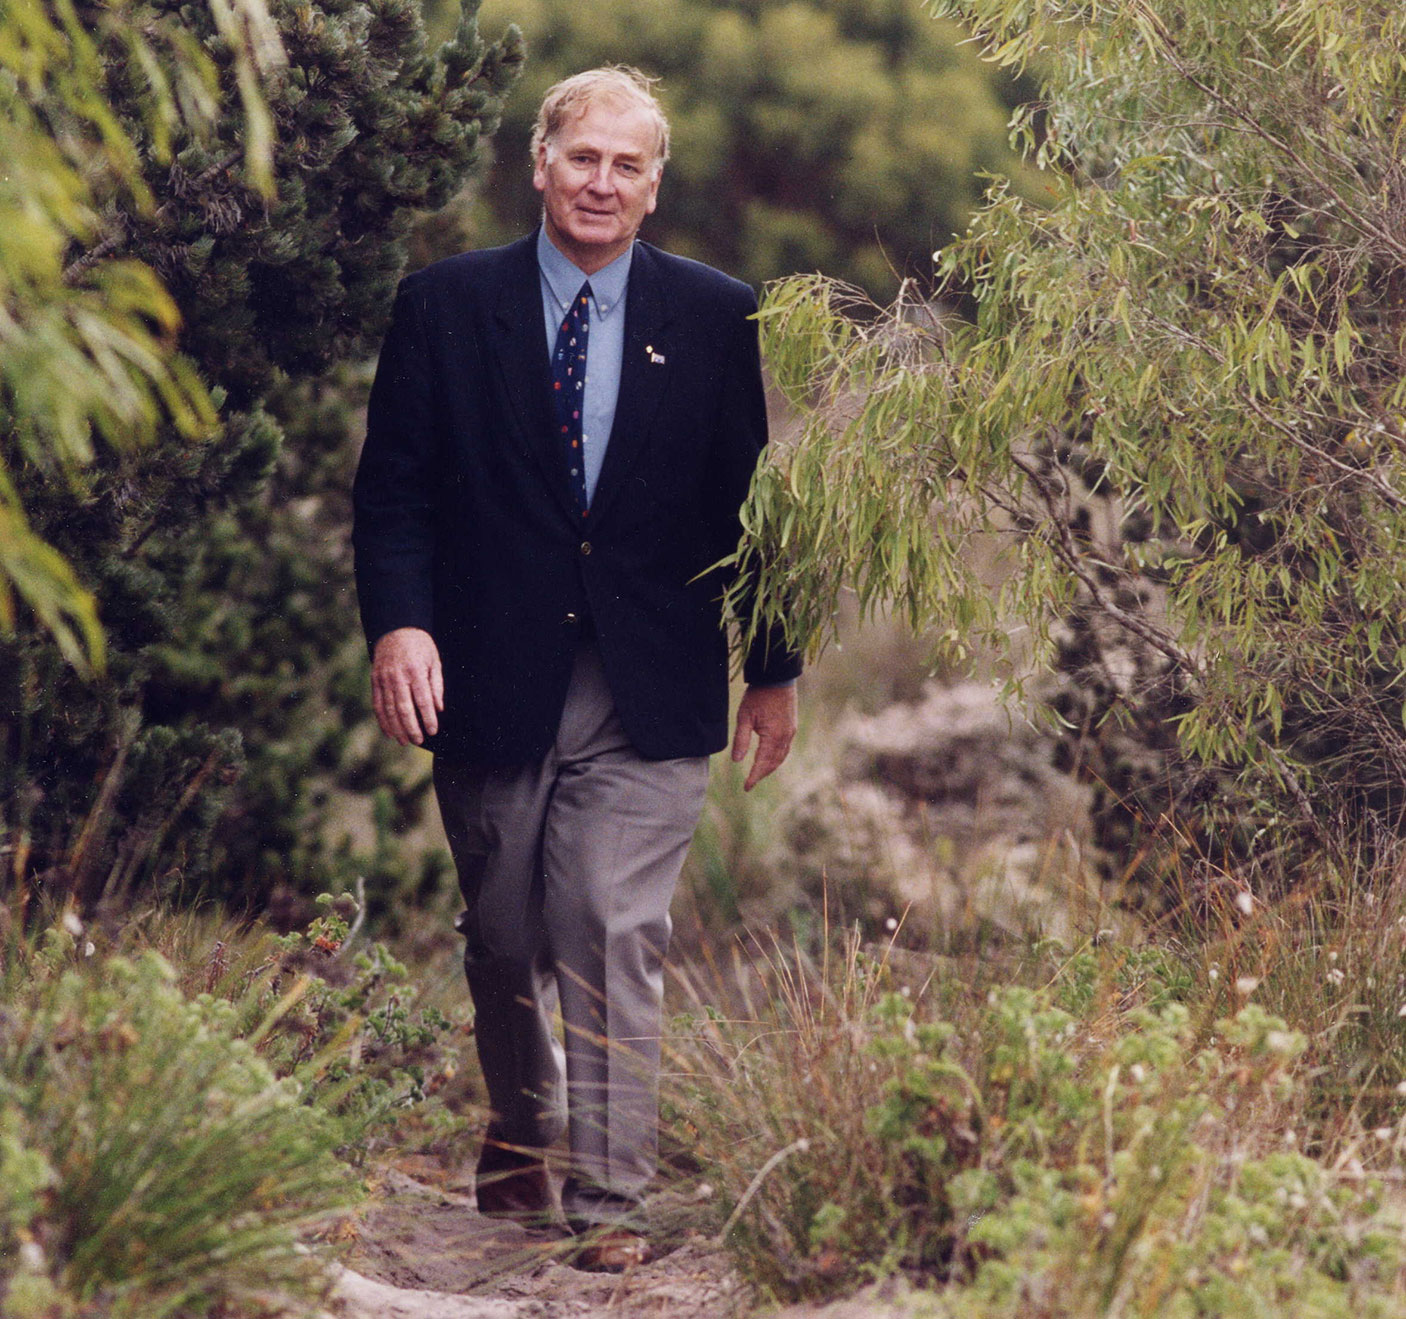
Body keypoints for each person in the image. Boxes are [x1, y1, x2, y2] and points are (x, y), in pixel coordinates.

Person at [352, 66, 800, 1273]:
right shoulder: (445, 306)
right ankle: (521, 1129)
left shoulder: (713, 313)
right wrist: (401, 624)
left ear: (655, 189)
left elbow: (755, 506)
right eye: (582, 157)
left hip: (645, 677)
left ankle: (608, 1198)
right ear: (539, 164)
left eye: (628, 165)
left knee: (606, 920)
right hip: (488, 672)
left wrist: (772, 669)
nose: (602, 182)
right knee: (505, 934)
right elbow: (391, 491)